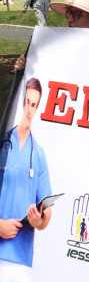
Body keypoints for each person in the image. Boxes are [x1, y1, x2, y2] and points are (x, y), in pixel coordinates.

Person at [0, 78, 53, 267]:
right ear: (21, 102)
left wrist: (38, 221)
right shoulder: (3, 144)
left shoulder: (38, 154)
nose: (29, 110)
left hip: (21, 258)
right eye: (27, 102)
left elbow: (46, 212)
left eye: (34, 105)